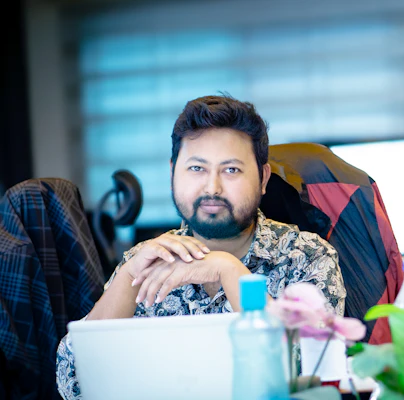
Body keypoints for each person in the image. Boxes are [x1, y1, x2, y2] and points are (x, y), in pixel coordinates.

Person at [56, 94, 347, 400]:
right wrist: (128, 276)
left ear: (263, 178)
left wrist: (229, 271)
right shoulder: (146, 261)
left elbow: (316, 374)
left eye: (231, 170)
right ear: (173, 173)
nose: (212, 188)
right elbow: (73, 385)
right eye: (197, 168)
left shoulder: (307, 256)